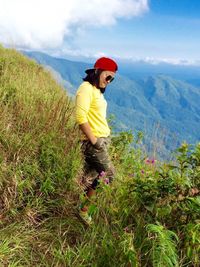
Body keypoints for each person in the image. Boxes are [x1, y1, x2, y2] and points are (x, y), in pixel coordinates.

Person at [75, 57, 118, 224]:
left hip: (101, 141)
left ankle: (80, 205)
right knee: (109, 175)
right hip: (94, 143)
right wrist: (95, 141)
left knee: (92, 176)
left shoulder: (95, 90)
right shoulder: (85, 89)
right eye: (108, 77)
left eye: (112, 79)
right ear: (98, 72)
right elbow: (80, 117)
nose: (109, 81)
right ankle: (83, 210)